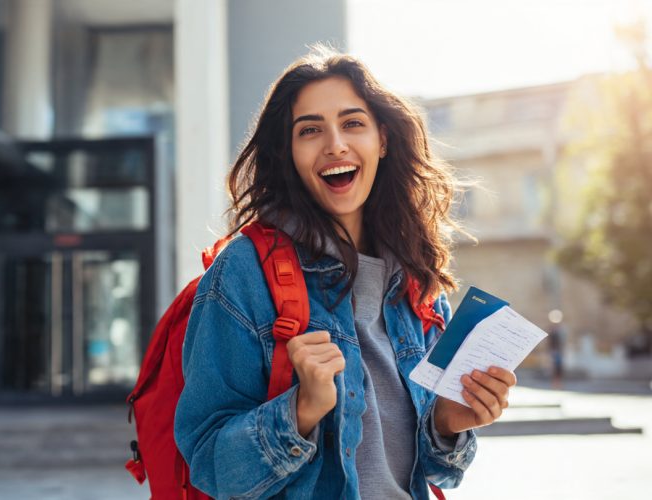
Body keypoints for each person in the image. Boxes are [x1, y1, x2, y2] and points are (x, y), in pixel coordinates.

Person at [173, 47, 516, 499]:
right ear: (288, 152)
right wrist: (300, 410)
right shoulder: (243, 272)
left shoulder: (419, 284)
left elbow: (440, 474)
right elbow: (209, 464)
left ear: (383, 140)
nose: (335, 144)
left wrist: (450, 422)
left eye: (353, 123)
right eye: (310, 130)